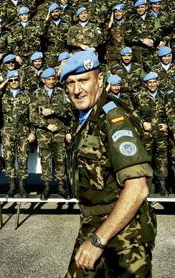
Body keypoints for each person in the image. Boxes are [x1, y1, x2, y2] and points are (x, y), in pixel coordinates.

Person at [60, 50, 156, 277]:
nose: (77, 90)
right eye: (70, 83)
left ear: (100, 80)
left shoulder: (113, 118)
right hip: (93, 223)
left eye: (84, 80)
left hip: (124, 234)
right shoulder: (84, 117)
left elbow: (137, 188)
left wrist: (97, 240)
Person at [30, 68, 71, 200]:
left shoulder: (61, 92)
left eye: (53, 79)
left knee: (60, 159)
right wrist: (47, 125)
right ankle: (46, 186)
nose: (52, 81)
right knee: (45, 159)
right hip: (44, 132)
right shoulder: (36, 94)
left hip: (59, 130)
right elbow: (32, 116)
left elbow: (68, 109)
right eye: (49, 79)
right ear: (43, 80)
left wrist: (53, 110)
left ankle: (60, 186)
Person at [0, 70, 35, 197]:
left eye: (16, 80)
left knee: (23, 159)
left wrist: (32, 132)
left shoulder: (27, 95)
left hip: (23, 132)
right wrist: (2, 84)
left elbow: (32, 115)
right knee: (9, 159)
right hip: (7, 132)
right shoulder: (3, 95)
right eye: (11, 80)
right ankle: (11, 186)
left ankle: (22, 186)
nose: (14, 82)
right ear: (8, 82)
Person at [133, 72, 169, 195]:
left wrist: (167, 124)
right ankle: (146, 185)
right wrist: (142, 123)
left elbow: (170, 112)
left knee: (162, 158)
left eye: (154, 82)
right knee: (146, 158)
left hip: (161, 132)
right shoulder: (139, 97)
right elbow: (134, 114)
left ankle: (162, 185)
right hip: (147, 133)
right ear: (145, 84)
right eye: (150, 83)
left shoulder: (164, 96)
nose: (152, 85)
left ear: (158, 82)